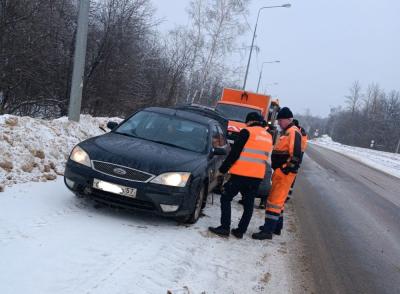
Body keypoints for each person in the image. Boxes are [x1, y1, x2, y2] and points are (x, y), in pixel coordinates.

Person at [209, 112, 273, 239]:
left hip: (240, 174)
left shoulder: (247, 132)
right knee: (248, 205)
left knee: (226, 198)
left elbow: (234, 154)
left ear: (250, 121)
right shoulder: (268, 136)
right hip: (256, 177)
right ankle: (240, 231)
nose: (246, 124)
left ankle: (224, 227)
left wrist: (222, 170)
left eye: (246, 122)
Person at [252, 107, 302, 240]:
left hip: (284, 174)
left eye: (280, 120)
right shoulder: (287, 132)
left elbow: (296, 155)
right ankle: (276, 227)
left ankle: (268, 231)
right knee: (277, 201)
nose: (279, 123)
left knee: (274, 201)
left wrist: (284, 169)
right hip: (281, 173)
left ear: (288, 119)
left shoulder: (293, 132)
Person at [287, 119, 308, 197]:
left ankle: (287, 191)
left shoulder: (296, 132)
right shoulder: (302, 131)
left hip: (294, 154)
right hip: (300, 155)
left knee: (289, 172)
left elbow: (294, 145)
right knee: (293, 173)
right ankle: (289, 191)